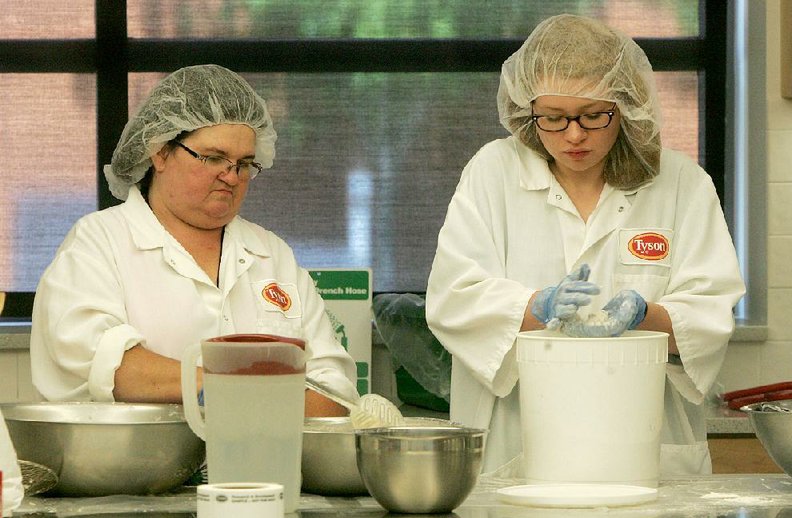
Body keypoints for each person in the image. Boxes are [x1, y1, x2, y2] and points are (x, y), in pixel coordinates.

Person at [425, 14, 745, 477]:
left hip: (645, 444)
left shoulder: (680, 184)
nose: (573, 135)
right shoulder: (493, 173)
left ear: (627, 105)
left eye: (594, 116)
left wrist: (645, 317)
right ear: (527, 110)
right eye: (553, 118)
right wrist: (538, 305)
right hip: (518, 444)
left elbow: (711, 310)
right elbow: (453, 296)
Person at [30, 65, 358, 416]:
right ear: (160, 151)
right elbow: (103, 362)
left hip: (261, 464)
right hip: (135, 466)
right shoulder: (99, 242)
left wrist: (243, 399)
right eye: (213, 157)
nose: (231, 177)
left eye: (244, 163)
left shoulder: (271, 255)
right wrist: (235, 391)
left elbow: (334, 391)